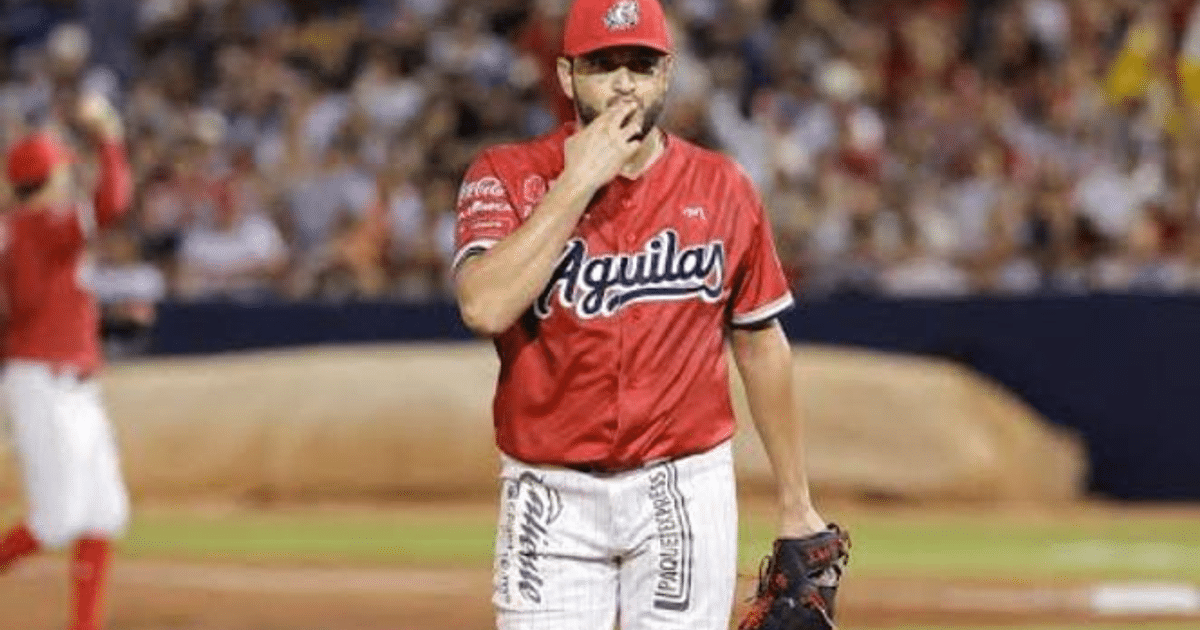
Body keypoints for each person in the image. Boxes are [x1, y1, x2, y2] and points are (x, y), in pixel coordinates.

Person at [451, 1, 848, 629]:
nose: (623, 83)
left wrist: (796, 501)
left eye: (640, 64)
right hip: (547, 490)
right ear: (565, 74)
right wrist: (575, 184)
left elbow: (760, 340)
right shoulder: (507, 175)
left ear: (666, 73)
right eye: (603, 65)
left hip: (682, 486)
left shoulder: (724, 186)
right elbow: (485, 304)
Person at [0, 93, 133, 630]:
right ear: (48, 180)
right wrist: (110, 139)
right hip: (43, 382)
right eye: (62, 172)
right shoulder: (41, 227)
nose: (69, 180)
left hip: (69, 383)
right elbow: (113, 204)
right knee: (55, 522)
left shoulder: (22, 231)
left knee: (105, 514)